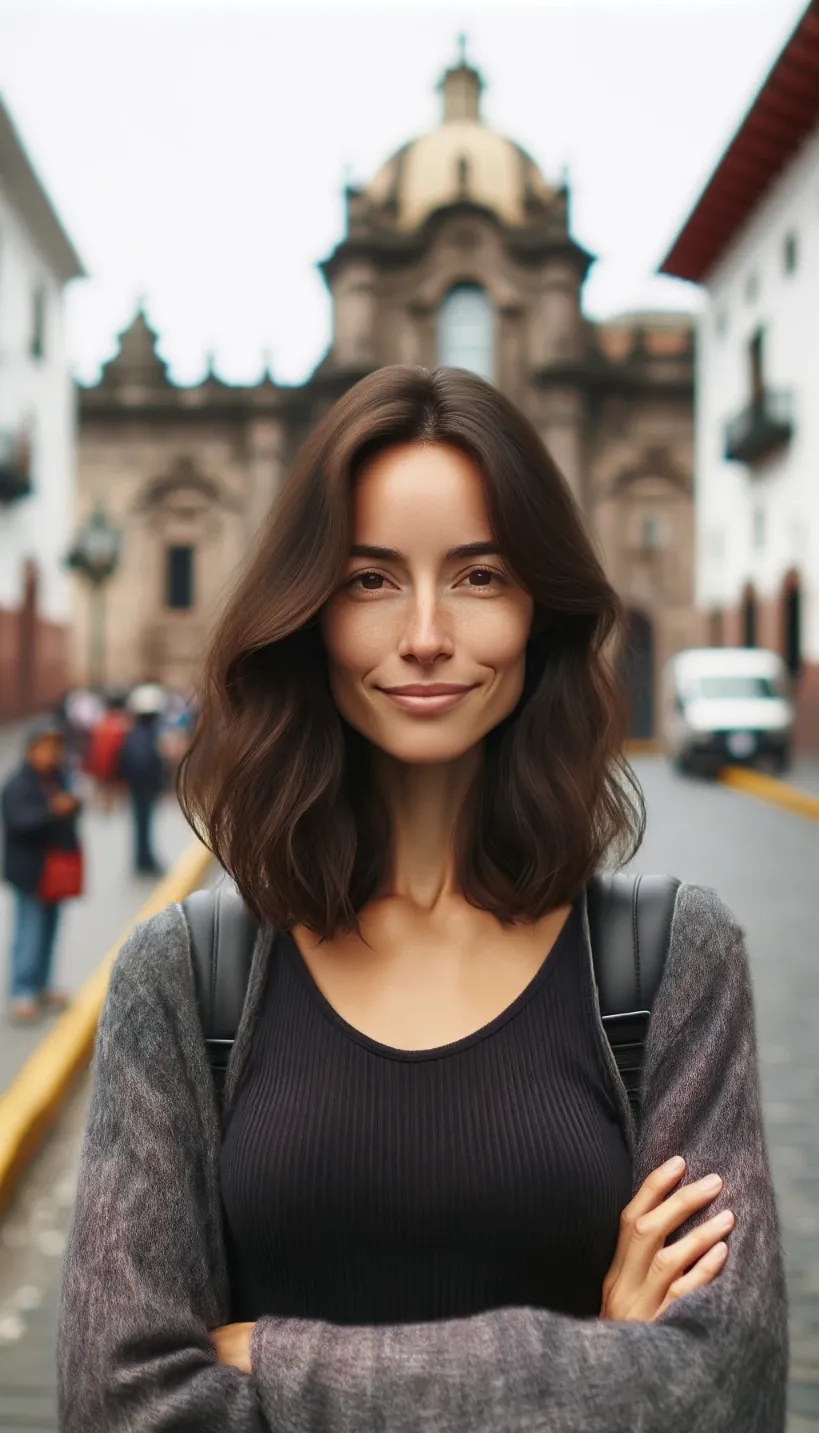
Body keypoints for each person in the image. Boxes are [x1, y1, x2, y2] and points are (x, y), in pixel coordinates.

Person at [58, 367, 787, 1431]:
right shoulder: (184, 978)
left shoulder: (672, 962)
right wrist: (594, 1353)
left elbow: (726, 1384)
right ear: (307, 613)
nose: (427, 633)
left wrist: (274, 1358)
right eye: (370, 579)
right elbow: (120, 1401)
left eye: (481, 574)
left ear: (541, 609)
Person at [2, 717, 83, 1024]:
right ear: (31, 750)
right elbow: (19, 822)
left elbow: (74, 811)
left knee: (50, 928)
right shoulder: (17, 785)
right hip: (29, 872)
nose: (51, 753)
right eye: (45, 747)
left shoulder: (60, 779)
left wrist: (72, 805)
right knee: (29, 929)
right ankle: (22, 990)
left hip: (56, 871)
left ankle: (42, 985)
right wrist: (53, 810)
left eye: (55, 747)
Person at [117, 685, 167, 876]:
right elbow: (140, 763)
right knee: (143, 825)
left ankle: (144, 860)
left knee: (143, 825)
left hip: (141, 788)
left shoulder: (140, 732)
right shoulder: (142, 734)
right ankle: (144, 861)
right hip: (142, 789)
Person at [86, 693, 130, 812]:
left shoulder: (100, 723)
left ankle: (105, 809)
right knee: (111, 790)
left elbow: (94, 746)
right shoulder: (121, 724)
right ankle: (109, 809)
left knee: (104, 789)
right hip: (113, 764)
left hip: (100, 763)